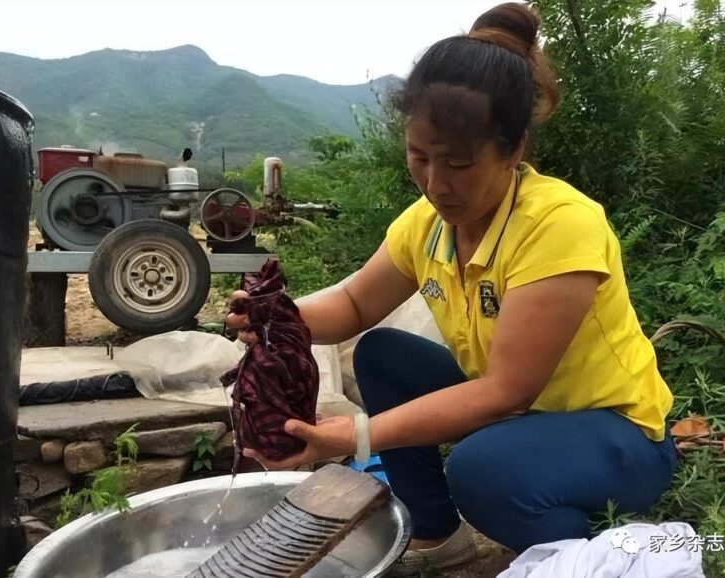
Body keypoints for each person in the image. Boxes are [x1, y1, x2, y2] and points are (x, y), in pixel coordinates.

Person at [227, 2, 677, 574]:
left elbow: (505, 392)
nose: (436, 183)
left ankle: (580, 556)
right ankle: (438, 534)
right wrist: (278, 318)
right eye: (420, 157)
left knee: (480, 469)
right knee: (383, 354)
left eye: (459, 164)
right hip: (526, 418)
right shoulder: (427, 222)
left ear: (512, 150)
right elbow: (356, 303)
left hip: (617, 434)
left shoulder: (559, 224)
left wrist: (353, 436)